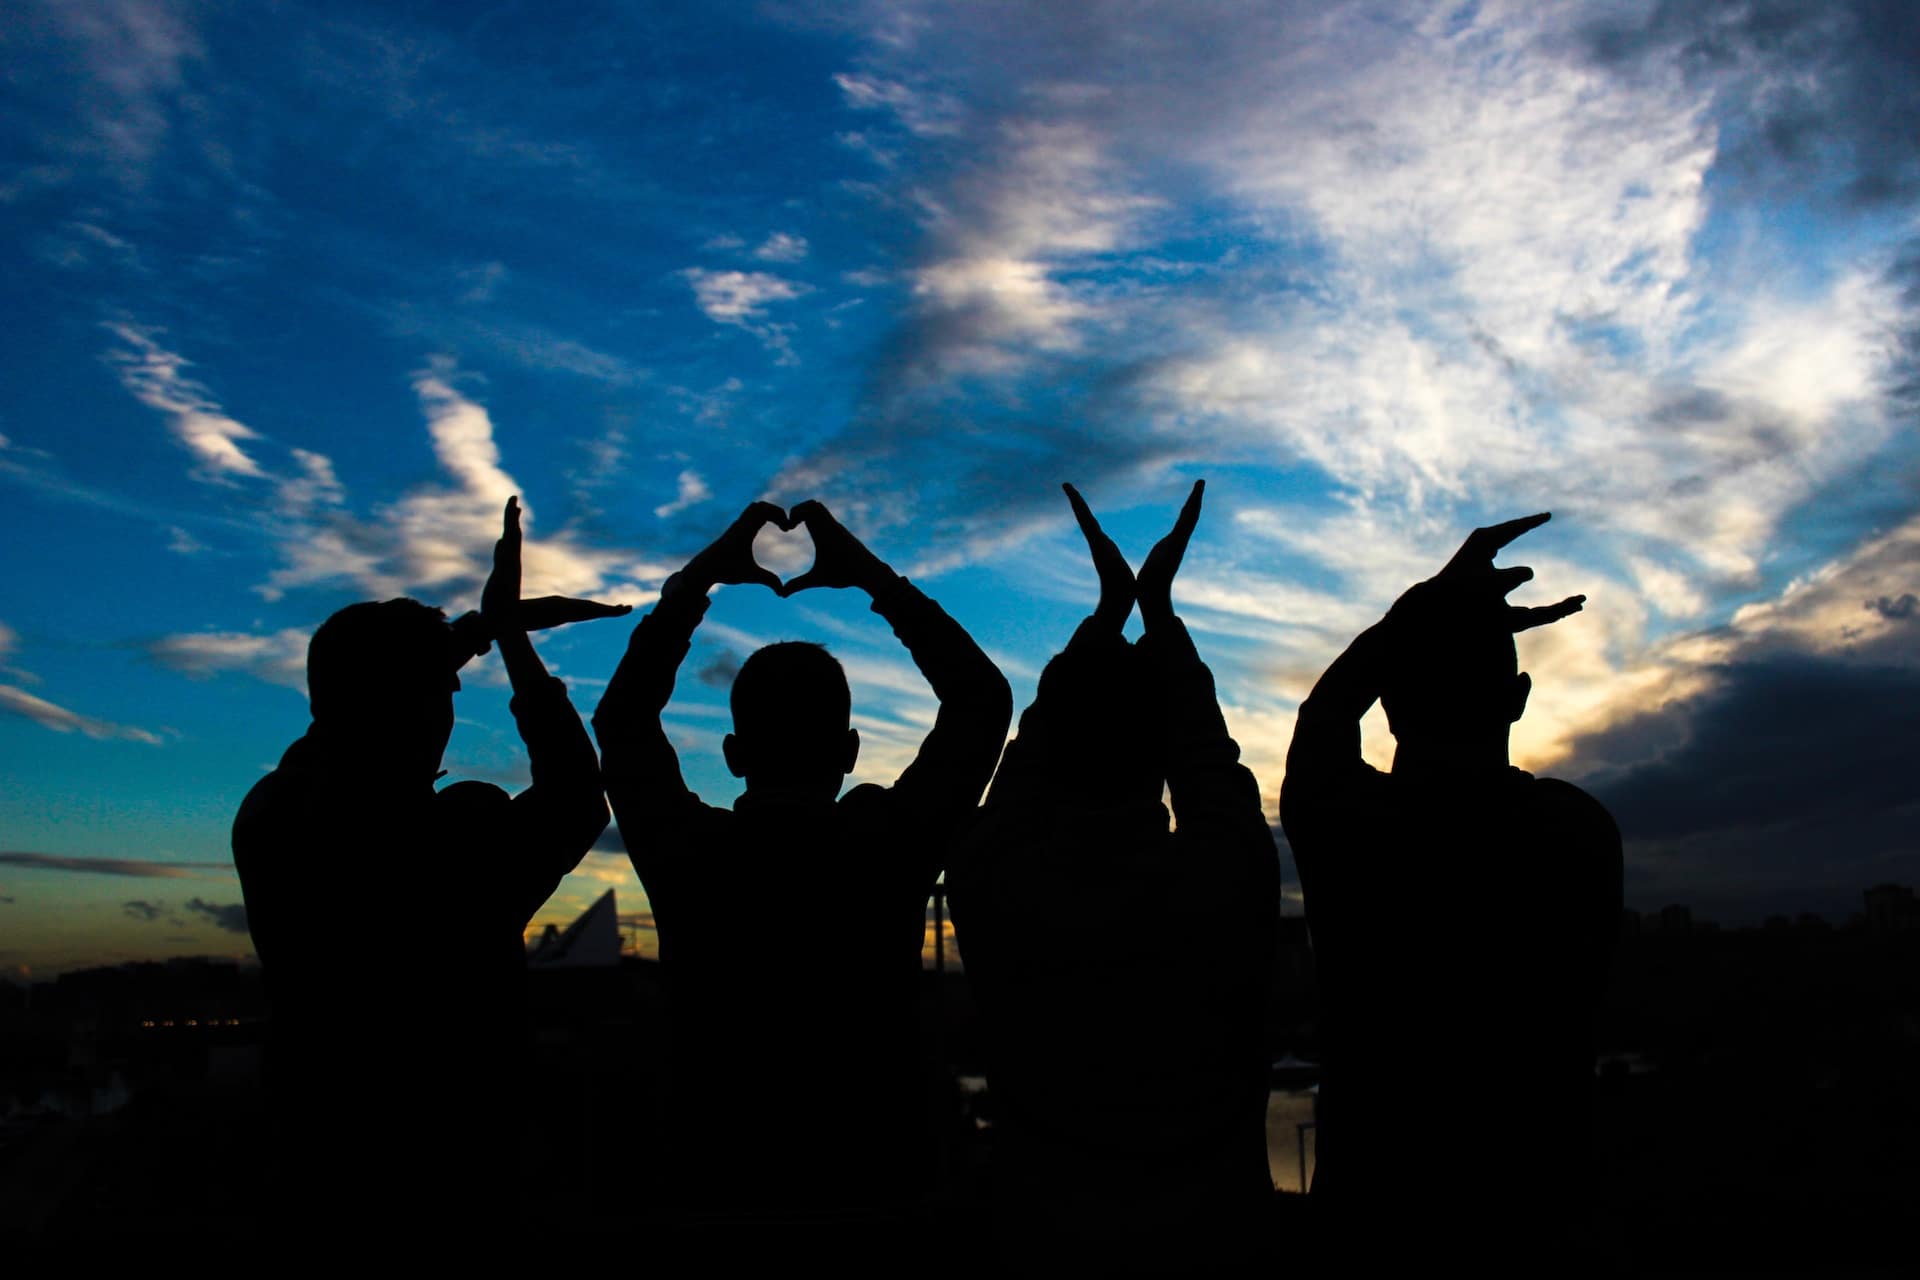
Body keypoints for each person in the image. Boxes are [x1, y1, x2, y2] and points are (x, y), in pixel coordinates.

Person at [592, 499, 1011, 1242]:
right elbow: (980, 701)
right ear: (850, 752)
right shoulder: (891, 841)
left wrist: (696, 585)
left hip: (712, 1192)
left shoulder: (687, 851)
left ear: (732, 755)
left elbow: (623, 719)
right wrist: (872, 578)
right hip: (883, 1193)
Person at [232, 497, 620, 1240]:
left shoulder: (273, 811)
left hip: (317, 1168)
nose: (451, 704)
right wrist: (508, 640)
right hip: (459, 1178)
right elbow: (576, 797)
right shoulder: (454, 834)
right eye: (443, 689)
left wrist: (473, 633)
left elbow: (339, 724)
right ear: (416, 706)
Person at [948, 481, 1279, 1270]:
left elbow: (1027, 766)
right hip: (1216, 1257)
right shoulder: (1226, 879)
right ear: (1162, 755)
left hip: (1039, 1252)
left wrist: (1107, 617)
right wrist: (1157, 613)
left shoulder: (995, 881)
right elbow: (1207, 758)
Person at [1279, 513, 1623, 1271]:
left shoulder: (1346, 826)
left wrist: (1418, 610)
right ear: (1518, 697)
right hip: (1539, 1219)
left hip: (1377, 1223)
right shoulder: (1578, 832)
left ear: (1392, 709)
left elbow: (1326, 714)